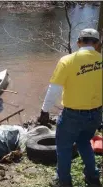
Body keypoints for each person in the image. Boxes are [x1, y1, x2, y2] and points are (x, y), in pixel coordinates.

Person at [38, 28, 102, 187]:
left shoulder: (67, 60)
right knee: (84, 142)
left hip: (72, 115)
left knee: (64, 148)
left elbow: (54, 89)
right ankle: (93, 178)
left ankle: (64, 181)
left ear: (78, 42)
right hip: (96, 114)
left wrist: (44, 110)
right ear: (97, 43)